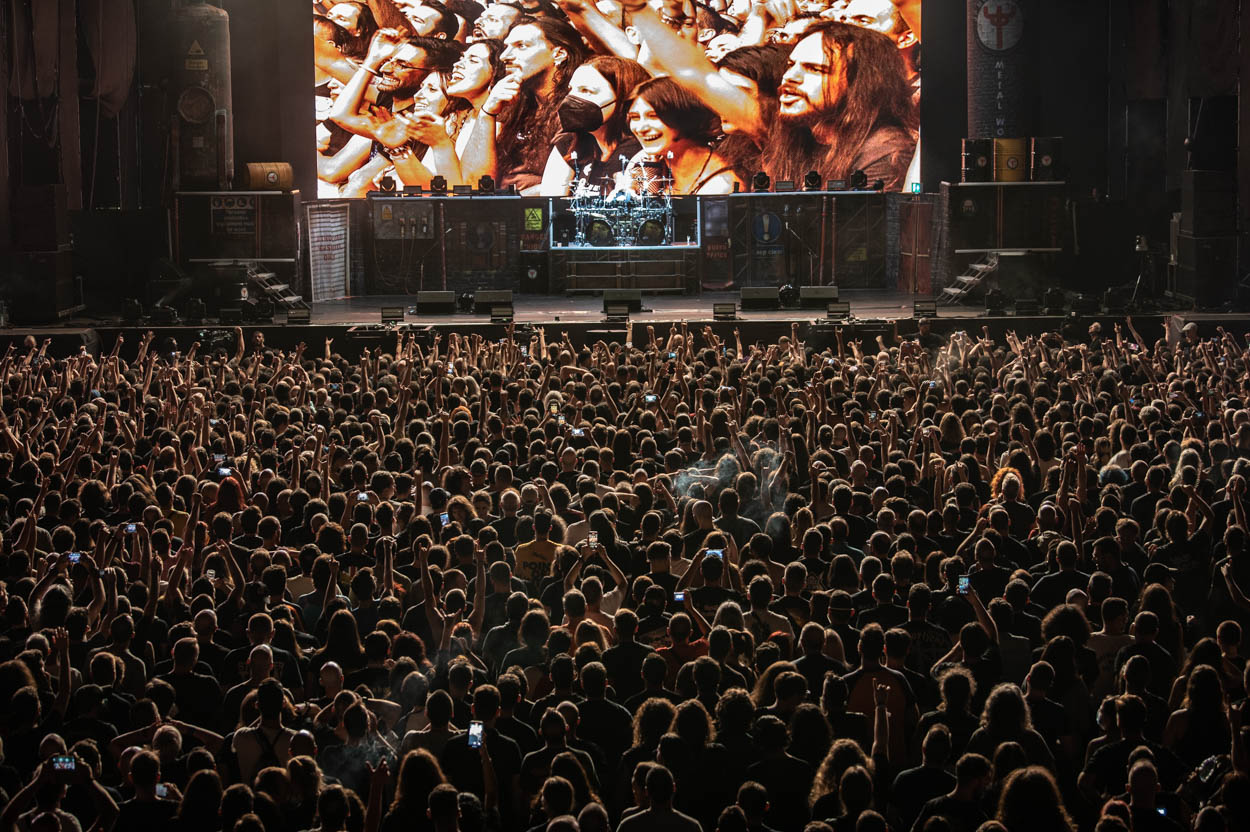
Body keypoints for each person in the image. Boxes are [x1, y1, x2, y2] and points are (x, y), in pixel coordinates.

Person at [540, 56, 650, 196]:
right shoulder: (569, 143)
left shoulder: (639, 152)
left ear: (623, 98)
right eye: (571, 90)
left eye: (586, 91)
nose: (571, 99)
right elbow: (550, 204)